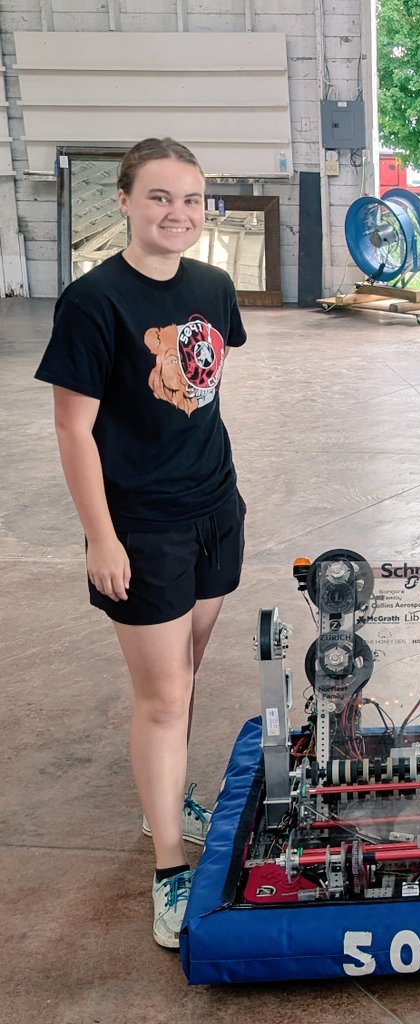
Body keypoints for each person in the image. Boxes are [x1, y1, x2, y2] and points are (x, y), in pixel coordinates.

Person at [35, 138, 248, 944]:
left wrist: (217, 491)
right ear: (123, 201)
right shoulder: (93, 301)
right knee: (162, 699)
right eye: (160, 197)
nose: (178, 214)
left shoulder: (212, 287)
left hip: (214, 510)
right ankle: (168, 871)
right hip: (143, 527)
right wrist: (101, 538)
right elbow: (73, 427)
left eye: (191, 200)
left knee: (184, 676)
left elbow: (202, 392)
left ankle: (169, 797)